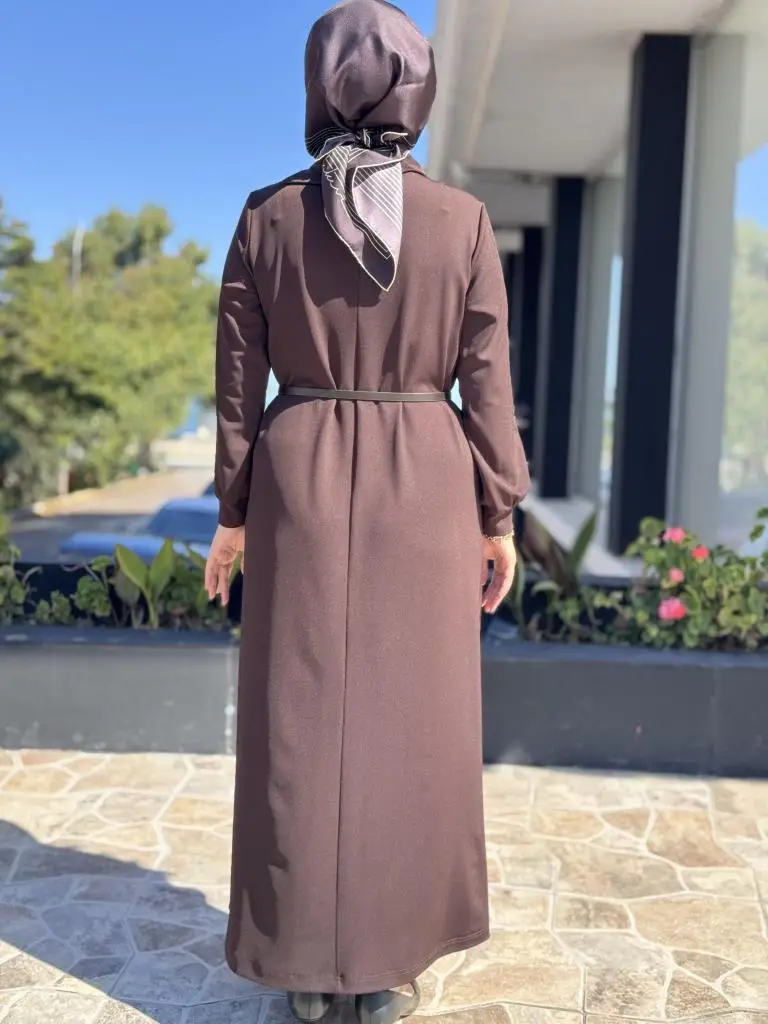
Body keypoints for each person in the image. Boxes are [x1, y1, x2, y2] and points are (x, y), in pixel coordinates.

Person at [204, 2, 530, 1022]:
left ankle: (304, 966)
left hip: (298, 476)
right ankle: (385, 967)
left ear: (318, 83)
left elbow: (237, 382)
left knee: (296, 721)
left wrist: (232, 509)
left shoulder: (266, 216)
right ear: (417, 86)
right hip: (425, 482)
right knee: (412, 722)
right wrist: (498, 512)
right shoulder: (462, 221)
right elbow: (487, 378)